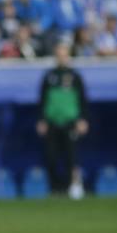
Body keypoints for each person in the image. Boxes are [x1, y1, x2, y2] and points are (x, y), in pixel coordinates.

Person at [37, 43, 89, 198]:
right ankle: (54, 187)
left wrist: (82, 119)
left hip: (70, 120)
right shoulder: (49, 76)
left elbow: (82, 99)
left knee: (71, 156)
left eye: (64, 55)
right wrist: (42, 120)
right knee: (51, 156)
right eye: (59, 55)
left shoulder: (75, 76)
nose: (61, 58)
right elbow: (42, 100)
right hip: (52, 120)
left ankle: (72, 186)